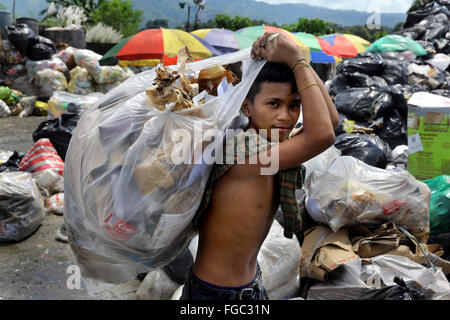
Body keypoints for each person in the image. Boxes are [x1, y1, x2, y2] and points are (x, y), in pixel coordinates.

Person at [180, 32, 339, 300]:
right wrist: (297, 60)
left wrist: (298, 62)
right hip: (216, 295)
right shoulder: (245, 154)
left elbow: (330, 120)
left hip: (248, 286)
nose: (285, 116)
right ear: (247, 107)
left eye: (294, 105)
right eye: (274, 104)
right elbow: (322, 134)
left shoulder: (269, 147)